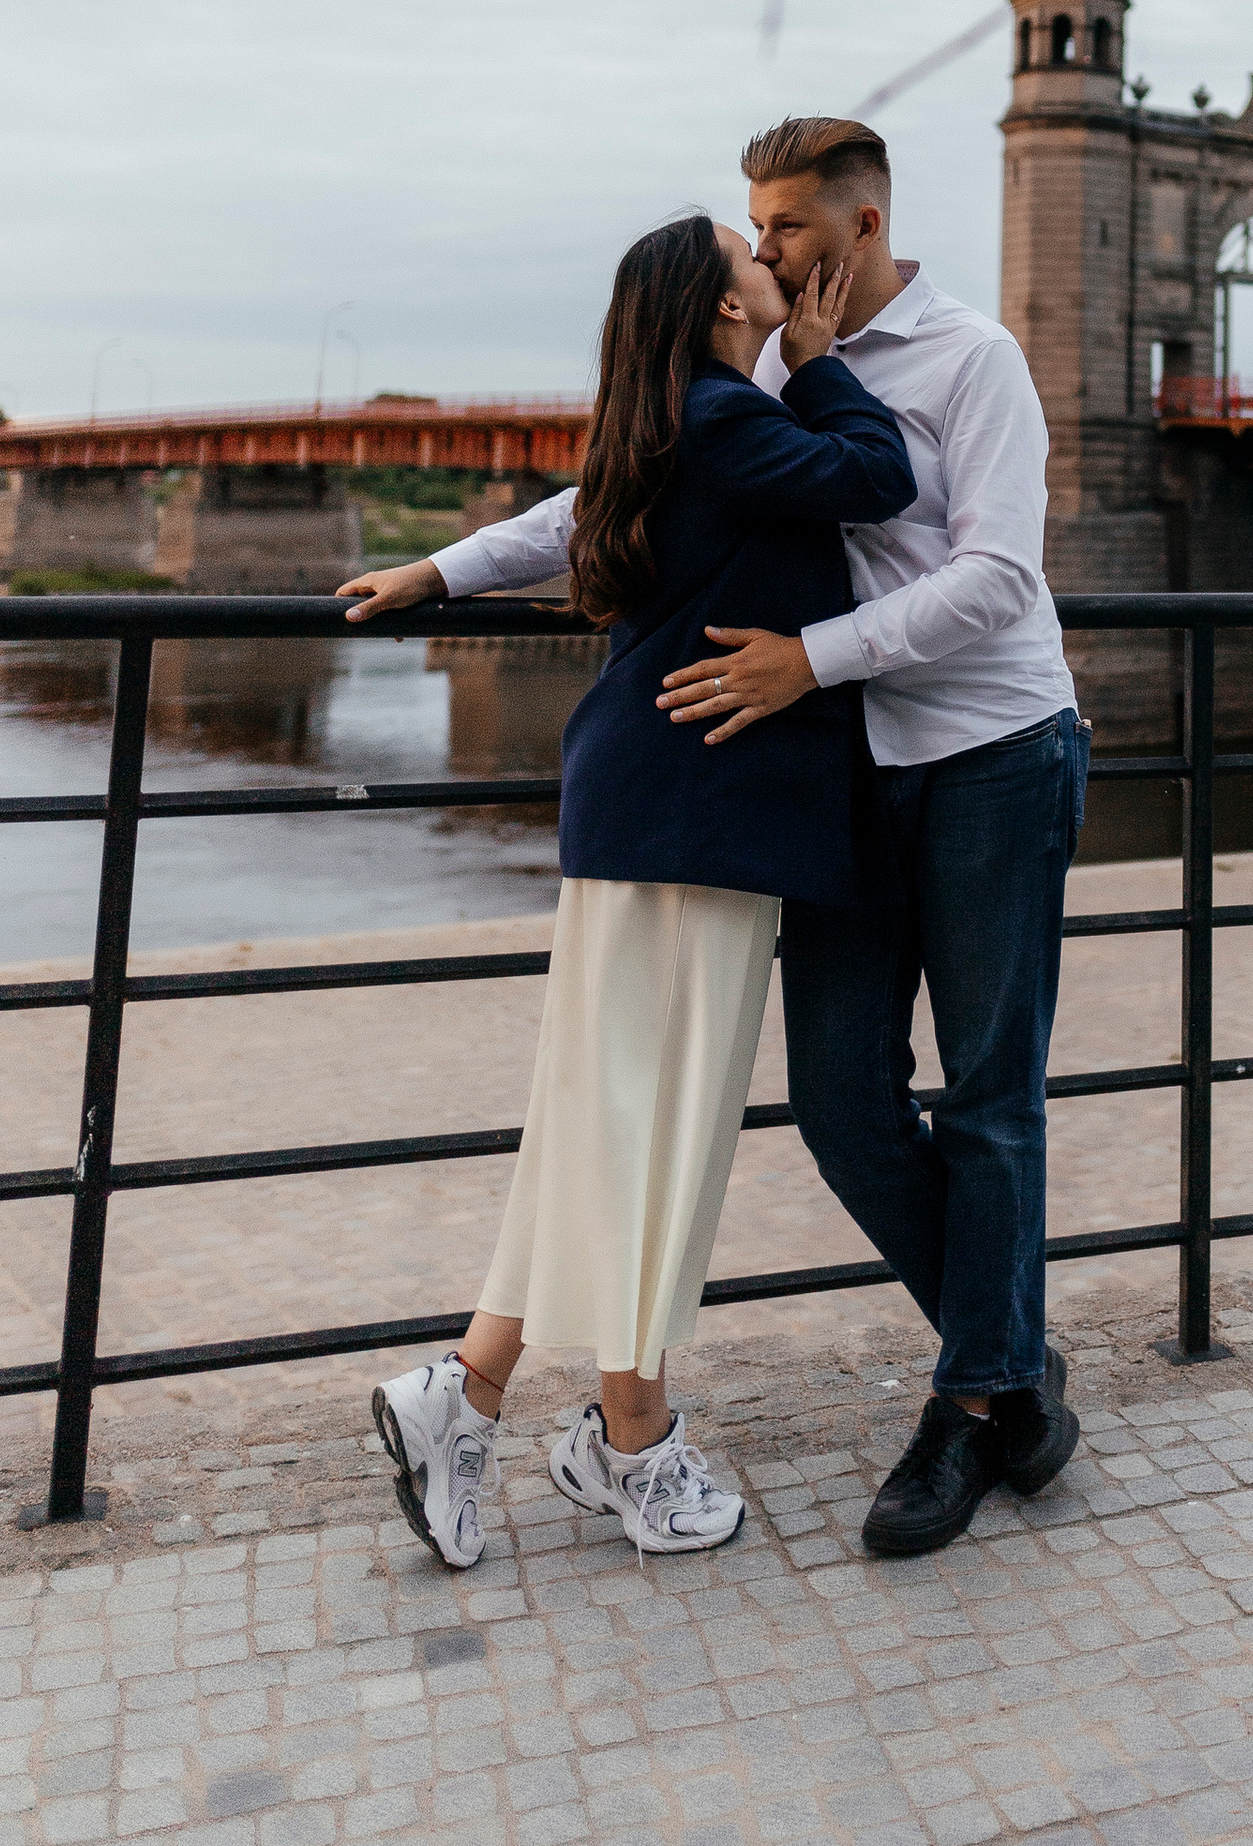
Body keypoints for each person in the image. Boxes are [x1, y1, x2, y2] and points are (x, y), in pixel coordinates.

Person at [342, 116, 1088, 1560]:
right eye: (754, 230)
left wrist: (810, 657)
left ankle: (976, 1399)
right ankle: (1000, 1355)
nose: (765, 250)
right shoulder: (759, 374)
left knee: (992, 1101)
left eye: (788, 229)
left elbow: (999, 576)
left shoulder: (971, 361)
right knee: (842, 1105)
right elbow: (624, 488)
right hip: (849, 778)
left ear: (858, 229)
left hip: (991, 752)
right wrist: (448, 563)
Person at [354, 213, 913, 1572]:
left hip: (661, 809)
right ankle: (630, 1432)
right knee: (656, 1128)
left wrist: (441, 565)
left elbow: (567, 525)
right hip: (696, 815)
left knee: (613, 1122)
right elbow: (881, 475)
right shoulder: (732, 418)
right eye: (757, 267)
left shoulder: (672, 418)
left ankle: (478, 1394)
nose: (780, 269)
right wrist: (823, 356)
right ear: (730, 311)